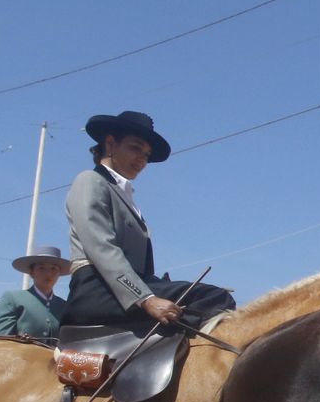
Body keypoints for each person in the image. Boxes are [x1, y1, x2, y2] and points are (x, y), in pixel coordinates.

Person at [61, 110, 235, 331]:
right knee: (214, 298)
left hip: (129, 287)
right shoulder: (90, 180)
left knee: (207, 301)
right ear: (111, 143)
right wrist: (145, 298)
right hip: (97, 290)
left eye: (147, 154)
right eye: (135, 148)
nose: (142, 159)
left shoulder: (125, 195)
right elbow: (101, 248)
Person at [0, 245, 71, 339]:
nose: (48, 273)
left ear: (59, 273)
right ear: (31, 272)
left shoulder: (65, 307)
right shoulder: (13, 299)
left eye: (54, 268)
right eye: (41, 268)